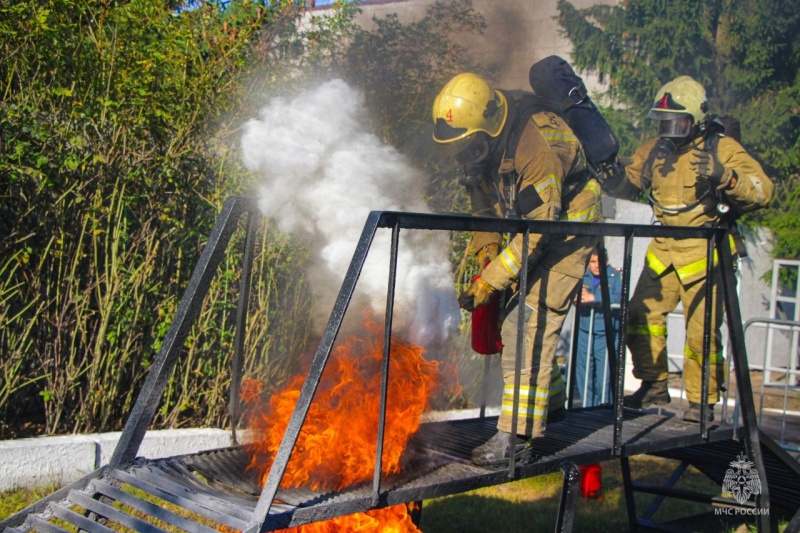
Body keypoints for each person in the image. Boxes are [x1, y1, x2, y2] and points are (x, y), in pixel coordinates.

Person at [432, 72, 602, 465]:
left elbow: (541, 231)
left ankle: (516, 440)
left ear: (486, 129)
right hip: (533, 224)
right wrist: (486, 256)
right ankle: (552, 402)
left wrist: (489, 282)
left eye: (467, 143)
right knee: (517, 317)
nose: (463, 153)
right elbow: (484, 207)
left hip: (568, 230)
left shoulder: (534, 146)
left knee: (525, 322)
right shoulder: (484, 140)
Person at [601, 75, 773, 422]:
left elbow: (763, 191)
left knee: (702, 332)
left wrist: (727, 176)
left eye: (676, 121)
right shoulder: (654, 150)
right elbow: (629, 182)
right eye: (663, 122)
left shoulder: (721, 148)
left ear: (697, 119)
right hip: (663, 247)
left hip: (704, 250)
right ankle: (653, 384)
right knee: (639, 315)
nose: (668, 128)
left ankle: (701, 404)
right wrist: (608, 175)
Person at [574, 249, 622, 407]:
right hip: (584, 331)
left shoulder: (615, 275)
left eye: (599, 262)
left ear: (606, 261)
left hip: (605, 333)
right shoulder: (581, 275)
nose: (596, 266)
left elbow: (621, 297)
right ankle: (587, 408)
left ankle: (605, 408)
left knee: (604, 377)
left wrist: (594, 298)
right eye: (592, 262)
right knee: (583, 373)